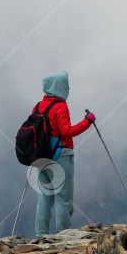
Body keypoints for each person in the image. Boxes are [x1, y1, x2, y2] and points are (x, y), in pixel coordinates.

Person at [35, 71, 95, 237]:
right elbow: (66, 132)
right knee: (64, 199)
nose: (68, 87)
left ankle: (41, 234)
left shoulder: (39, 106)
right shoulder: (60, 107)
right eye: (66, 84)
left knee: (44, 198)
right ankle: (63, 236)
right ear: (59, 86)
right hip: (61, 156)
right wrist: (87, 122)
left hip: (41, 157)